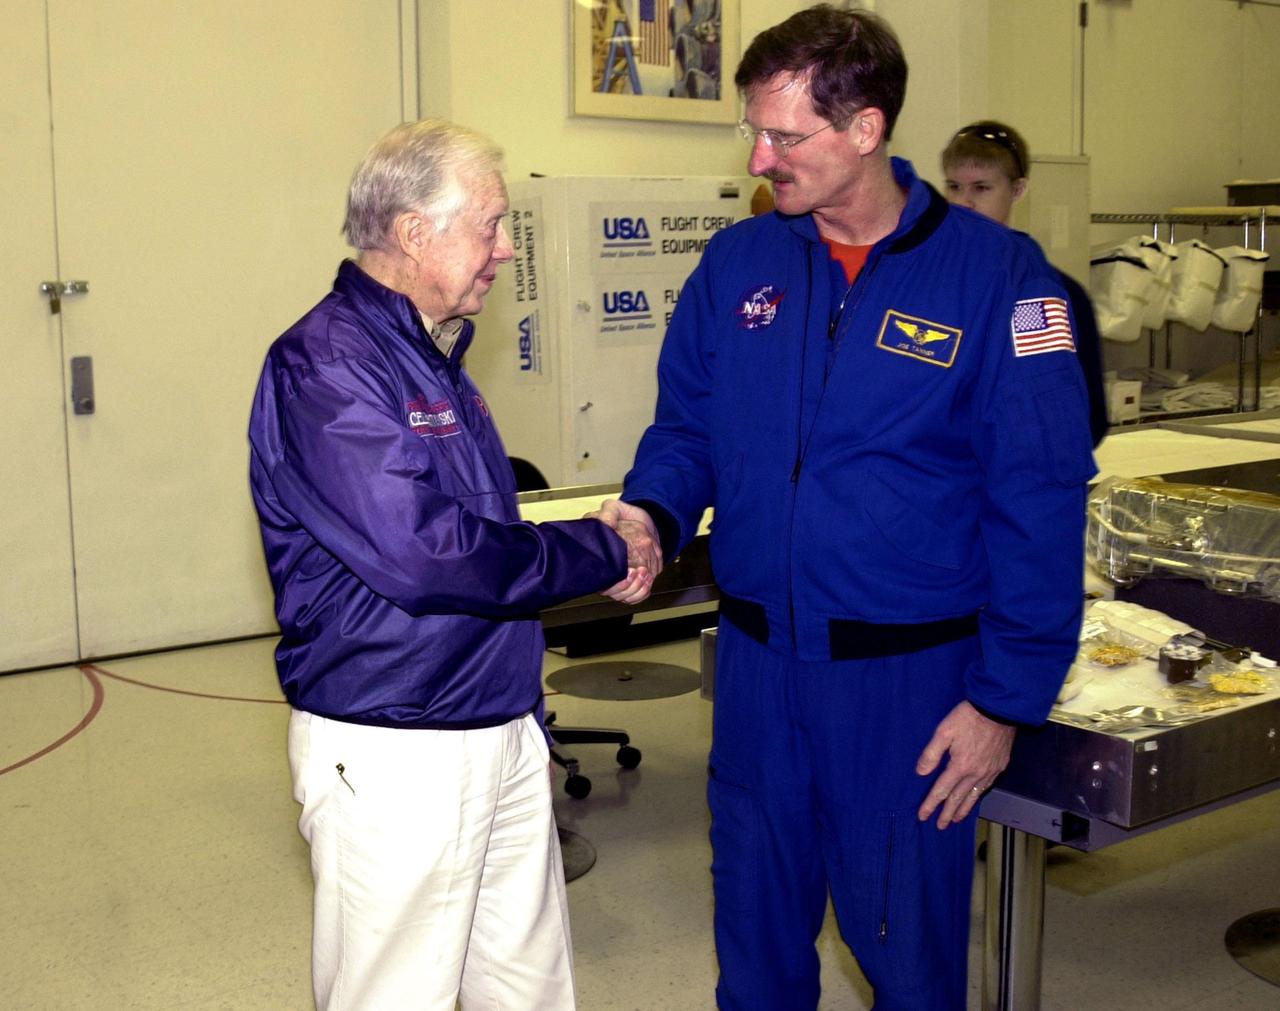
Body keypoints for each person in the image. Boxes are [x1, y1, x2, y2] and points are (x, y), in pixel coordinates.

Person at [596, 7, 1095, 1009]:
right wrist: (650, 509)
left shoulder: (999, 281)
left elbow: (1039, 503)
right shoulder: (738, 266)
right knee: (755, 949)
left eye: (784, 137)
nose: (759, 157)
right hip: (756, 669)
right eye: (754, 130)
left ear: (866, 129)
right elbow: (687, 428)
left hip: (906, 685)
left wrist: (1003, 701)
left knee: (905, 957)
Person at [248, 119, 660, 1011]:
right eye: (492, 225)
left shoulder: (433, 358)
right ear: (413, 232)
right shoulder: (325, 365)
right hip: (398, 740)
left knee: (527, 988)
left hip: (493, 719)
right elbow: (428, 553)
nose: (507, 250)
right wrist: (600, 547)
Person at [942, 120, 1110, 445]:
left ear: (1017, 190)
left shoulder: (1050, 294)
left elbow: (1086, 418)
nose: (964, 203)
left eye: (981, 188)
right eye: (954, 187)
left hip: (1011, 468)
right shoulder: (927, 286)